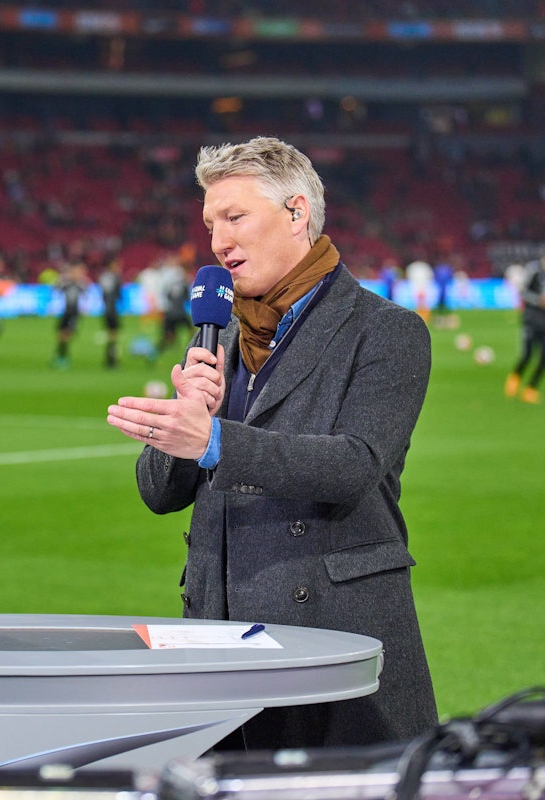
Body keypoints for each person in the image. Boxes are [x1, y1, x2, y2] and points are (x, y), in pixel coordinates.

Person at [106, 135, 437, 750]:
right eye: (210, 224)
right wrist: (187, 417)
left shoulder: (386, 331)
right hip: (219, 639)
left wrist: (216, 442)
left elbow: (355, 465)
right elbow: (158, 494)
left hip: (333, 636)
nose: (218, 242)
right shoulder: (221, 339)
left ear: (296, 213)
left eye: (235, 217)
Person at [504, 243, 545, 403]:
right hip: (531, 319)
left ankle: (531, 388)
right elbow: (523, 292)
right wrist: (537, 300)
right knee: (527, 355)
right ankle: (515, 378)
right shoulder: (534, 271)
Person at [51, 260, 89, 369]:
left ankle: (62, 357)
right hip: (64, 312)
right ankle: (61, 356)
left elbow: (86, 298)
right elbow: (55, 293)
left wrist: (84, 309)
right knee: (61, 335)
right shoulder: (64, 282)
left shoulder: (81, 284)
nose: (80, 273)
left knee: (67, 335)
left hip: (74, 313)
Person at [98, 256, 123, 369]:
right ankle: (112, 360)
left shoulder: (103, 277)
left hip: (106, 309)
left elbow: (102, 293)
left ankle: (109, 358)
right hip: (112, 309)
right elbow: (118, 294)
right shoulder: (115, 277)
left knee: (110, 334)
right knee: (114, 334)